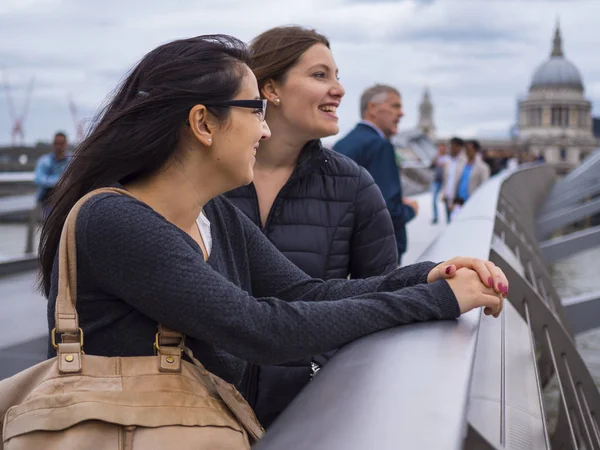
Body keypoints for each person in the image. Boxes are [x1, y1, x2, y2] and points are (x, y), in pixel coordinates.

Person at [39, 35, 507, 434]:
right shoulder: (116, 221)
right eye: (256, 111)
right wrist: (439, 302)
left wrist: (427, 277)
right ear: (203, 123)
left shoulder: (214, 215)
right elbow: (260, 329)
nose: (264, 131)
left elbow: (304, 291)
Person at [224, 26, 400, 427]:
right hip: (201, 413)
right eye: (321, 75)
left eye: (337, 76)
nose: (338, 89)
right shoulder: (209, 180)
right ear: (271, 89)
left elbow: (381, 296)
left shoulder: (354, 186)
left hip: (309, 413)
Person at [334, 84, 418, 265]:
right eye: (395, 106)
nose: (401, 113)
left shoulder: (343, 143)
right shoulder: (379, 145)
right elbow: (386, 208)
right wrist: (411, 210)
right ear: (372, 108)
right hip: (379, 252)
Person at [33, 131, 70, 217]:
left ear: (66, 144)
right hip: (47, 198)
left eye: (61, 143)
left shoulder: (72, 161)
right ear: (53, 144)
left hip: (66, 197)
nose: (59, 146)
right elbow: (38, 179)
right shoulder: (44, 160)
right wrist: (60, 181)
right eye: (56, 143)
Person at [454, 140, 491, 205]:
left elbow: (484, 186)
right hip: (458, 201)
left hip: (472, 202)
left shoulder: (483, 168)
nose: (467, 151)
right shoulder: (461, 164)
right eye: (466, 149)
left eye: (469, 149)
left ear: (475, 150)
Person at [441, 137, 466, 223]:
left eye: (453, 146)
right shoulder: (448, 160)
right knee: (448, 222)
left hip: (458, 199)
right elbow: (445, 179)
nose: (451, 148)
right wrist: (444, 193)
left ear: (460, 147)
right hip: (448, 196)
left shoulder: (465, 161)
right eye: (450, 146)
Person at [430, 143, 449, 224]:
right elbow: (431, 166)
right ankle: (435, 217)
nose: (441, 150)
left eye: (442, 149)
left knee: (446, 200)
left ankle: (448, 218)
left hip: (445, 182)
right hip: (436, 181)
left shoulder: (448, 158)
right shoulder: (436, 157)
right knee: (434, 200)